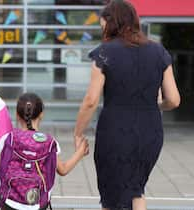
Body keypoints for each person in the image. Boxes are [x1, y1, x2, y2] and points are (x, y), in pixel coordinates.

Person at [73, 1, 181, 210]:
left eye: (103, 23)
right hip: (150, 131)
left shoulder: (104, 52)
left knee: (110, 194)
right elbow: (174, 100)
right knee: (136, 189)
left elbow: (91, 100)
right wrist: (154, 104)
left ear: (111, 23)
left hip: (115, 131)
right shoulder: (158, 51)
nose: (102, 28)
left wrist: (78, 133)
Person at [0, 93, 89, 210]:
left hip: (8, 202)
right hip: (37, 204)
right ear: (41, 114)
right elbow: (63, 170)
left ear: (17, 115)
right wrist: (80, 152)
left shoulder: (8, 138)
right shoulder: (50, 143)